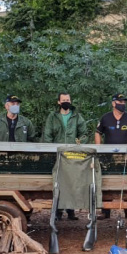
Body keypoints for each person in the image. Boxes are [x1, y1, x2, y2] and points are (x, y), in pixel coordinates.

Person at [95, 93, 127, 219]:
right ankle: (105, 211)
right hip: (108, 156)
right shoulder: (105, 118)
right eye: (120, 102)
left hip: (126, 156)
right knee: (107, 182)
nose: (122, 104)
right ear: (113, 103)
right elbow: (98, 132)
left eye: (124, 102)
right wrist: (99, 149)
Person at [42, 92, 89, 220]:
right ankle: (57, 212)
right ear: (59, 102)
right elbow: (47, 135)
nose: (66, 102)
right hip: (57, 155)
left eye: (68, 99)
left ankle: (71, 211)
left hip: (73, 155)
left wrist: (77, 144)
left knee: (72, 182)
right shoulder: (52, 117)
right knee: (58, 183)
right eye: (63, 100)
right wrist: (50, 151)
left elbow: (84, 134)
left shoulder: (77, 117)